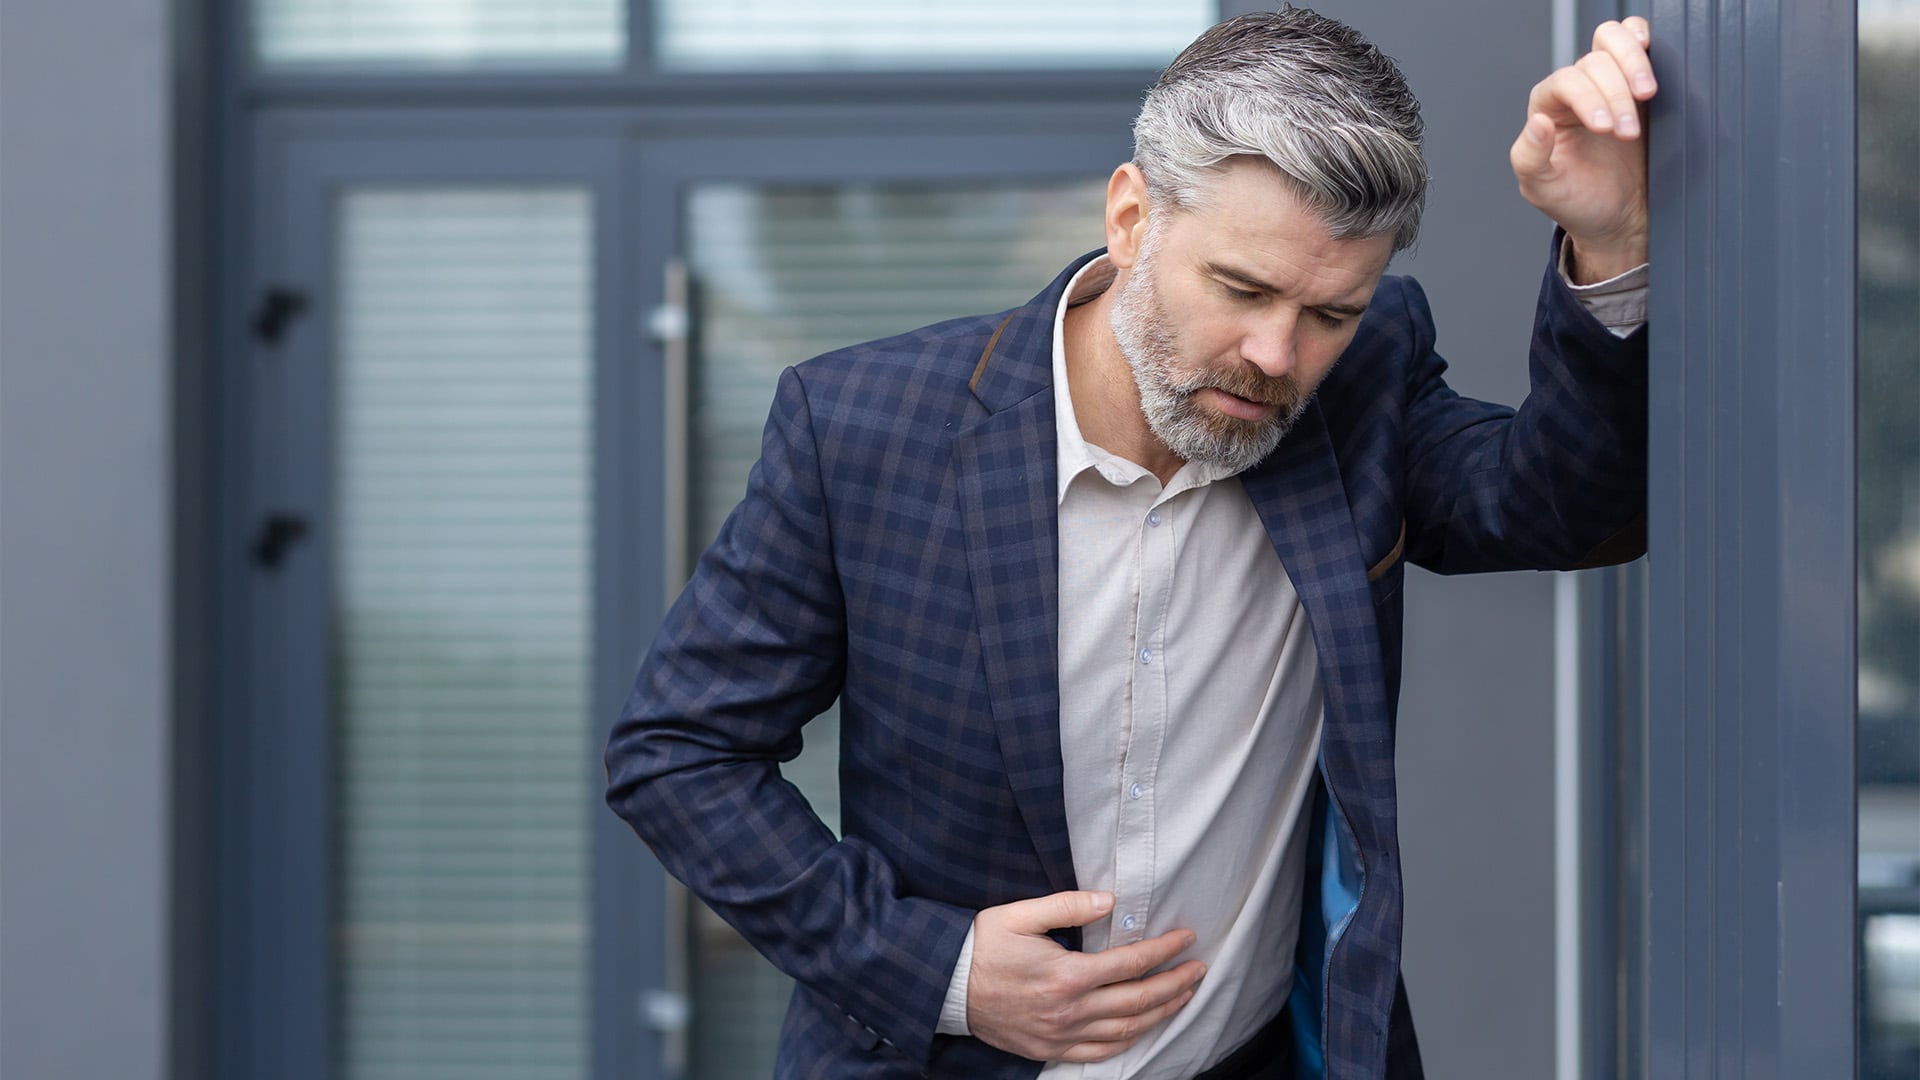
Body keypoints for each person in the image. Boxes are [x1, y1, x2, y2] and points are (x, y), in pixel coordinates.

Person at [605, 8, 1655, 1078]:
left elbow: (1566, 505)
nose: (1275, 355)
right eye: (1240, 288)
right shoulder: (862, 429)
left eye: (1329, 313)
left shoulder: (1361, 389)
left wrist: (1609, 240)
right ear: (1130, 216)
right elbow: (678, 756)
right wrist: (945, 971)